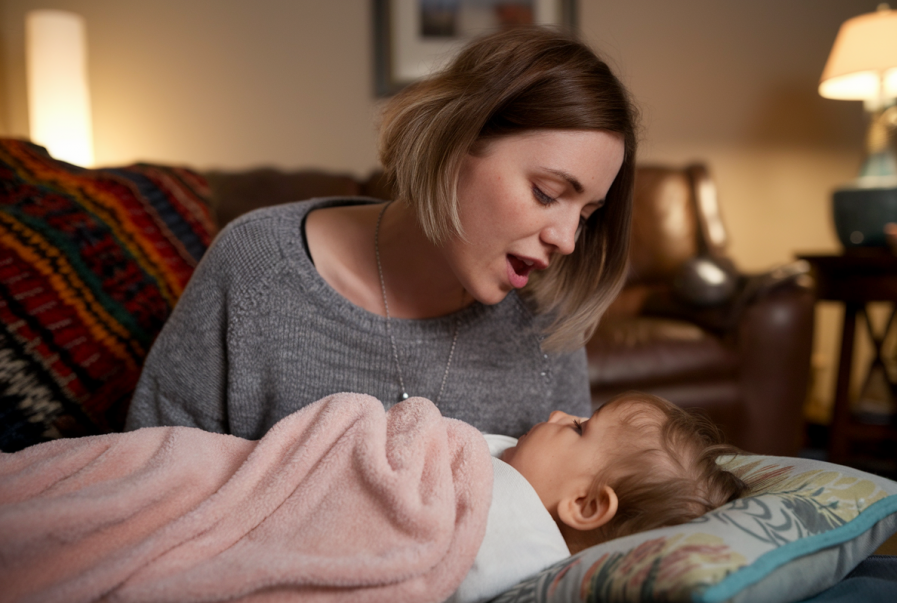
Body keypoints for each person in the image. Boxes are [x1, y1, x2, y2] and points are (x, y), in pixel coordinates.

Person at [124, 25, 639, 439]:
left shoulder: (546, 317)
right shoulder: (256, 269)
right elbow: (152, 480)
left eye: (587, 214)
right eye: (547, 193)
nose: (568, 240)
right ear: (451, 140)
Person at [452, 390, 748, 602]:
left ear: (585, 504)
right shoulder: (514, 457)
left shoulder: (511, 553)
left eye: (578, 429)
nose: (557, 414)